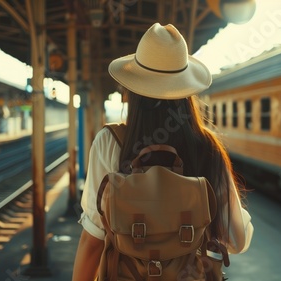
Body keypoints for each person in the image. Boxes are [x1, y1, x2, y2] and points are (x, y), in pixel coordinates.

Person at [72, 23, 253, 280]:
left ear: (131, 92)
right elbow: (237, 240)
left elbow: (92, 241)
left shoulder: (109, 142)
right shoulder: (208, 147)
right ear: (187, 92)